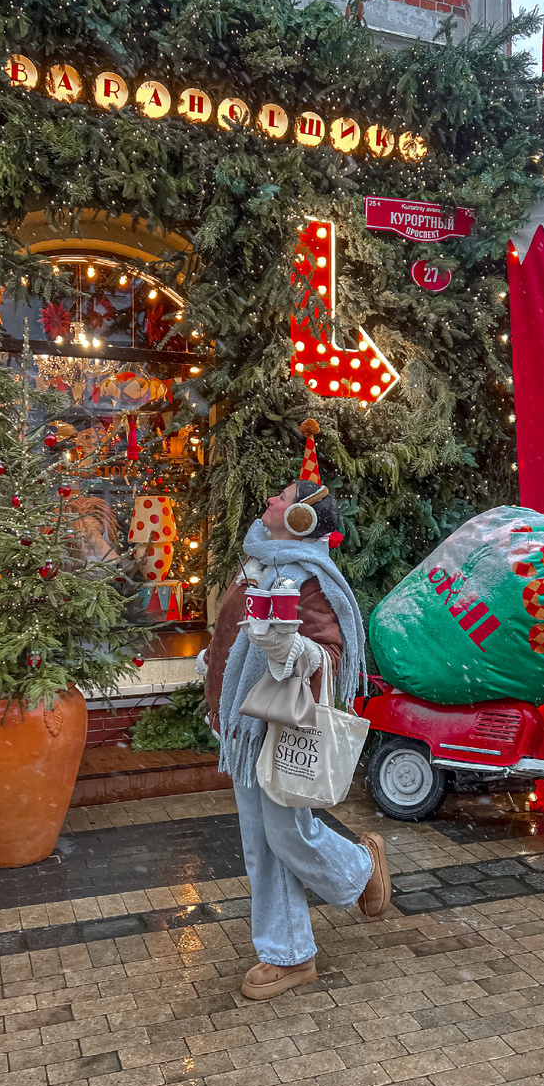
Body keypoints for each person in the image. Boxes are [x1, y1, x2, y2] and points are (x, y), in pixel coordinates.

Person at [198, 421, 391, 1001]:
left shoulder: (308, 579)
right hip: (243, 724)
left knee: (289, 836)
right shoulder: (259, 564)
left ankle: (360, 867)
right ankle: (289, 955)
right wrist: (214, 663)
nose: (272, 500)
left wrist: (293, 650)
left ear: (304, 519)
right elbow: (236, 636)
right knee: (263, 844)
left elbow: (330, 658)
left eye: (284, 498)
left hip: (283, 726)